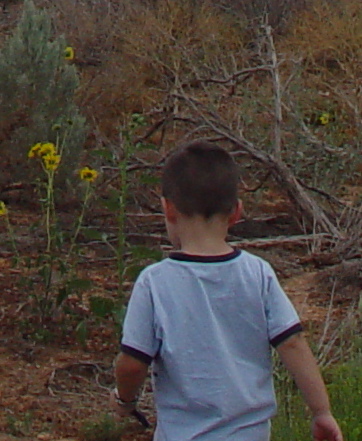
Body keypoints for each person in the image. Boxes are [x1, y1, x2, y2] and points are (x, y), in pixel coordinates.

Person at [114, 142, 341, 441]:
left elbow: (132, 363)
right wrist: (321, 412)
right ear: (236, 213)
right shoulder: (258, 274)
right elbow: (293, 343)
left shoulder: (154, 283)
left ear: (168, 209)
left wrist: (125, 400)